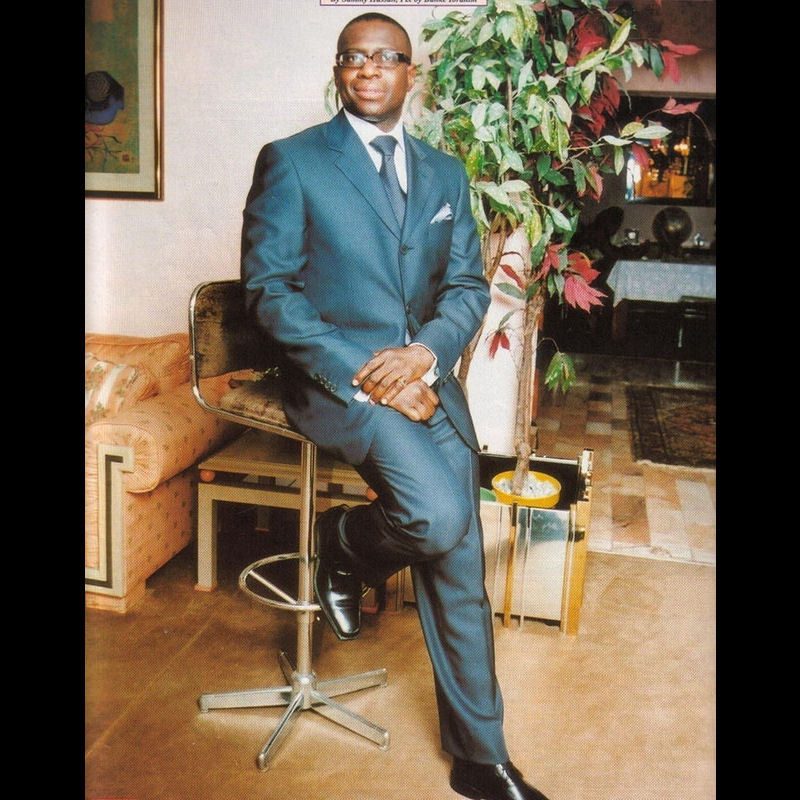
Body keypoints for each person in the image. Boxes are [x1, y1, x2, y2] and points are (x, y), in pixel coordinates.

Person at [241, 13, 551, 800]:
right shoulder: (294, 161)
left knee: (460, 555)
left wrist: (426, 356)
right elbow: (269, 292)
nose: (369, 69)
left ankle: (481, 757)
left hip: (428, 380)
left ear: (414, 75)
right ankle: (344, 542)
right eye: (354, 57)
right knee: (438, 517)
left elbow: (466, 286)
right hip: (341, 382)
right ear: (338, 71)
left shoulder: (444, 172)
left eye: (387, 58)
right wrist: (374, 371)